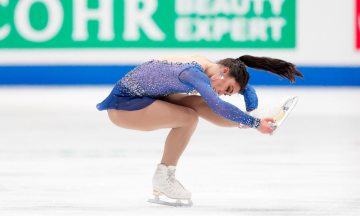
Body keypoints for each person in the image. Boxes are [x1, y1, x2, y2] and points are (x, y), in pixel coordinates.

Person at [96, 55, 304, 207]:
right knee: (188, 118)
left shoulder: (208, 67)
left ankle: (258, 116)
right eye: (228, 89)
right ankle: (163, 176)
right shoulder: (192, 74)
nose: (224, 93)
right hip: (123, 106)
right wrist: (255, 123)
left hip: (148, 97)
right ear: (224, 72)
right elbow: (219, 106)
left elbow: (247, 89)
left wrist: (252, 113)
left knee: (200, 104)